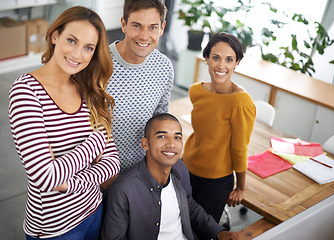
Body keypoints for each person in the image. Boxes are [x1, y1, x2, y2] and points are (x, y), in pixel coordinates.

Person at [8, 6, 120, 240]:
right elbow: (46, 178)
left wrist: (68, 184)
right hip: (55, 228)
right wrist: (95, 143)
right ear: (55, 36)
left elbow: (112, 163)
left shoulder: (87, 88)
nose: (78, 55)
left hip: (94, 209)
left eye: (88, 47)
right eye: (72, 40)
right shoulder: (26, 93)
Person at [101, 113, 238, 240]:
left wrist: (219, 232)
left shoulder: (181, 168)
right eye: (162, 136)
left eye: (177, 137)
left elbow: (190, 206)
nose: (171, 144)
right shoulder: (124, 189)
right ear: (145, 144)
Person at [182, 32, 256, 230]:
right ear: (206, 58)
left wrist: (241, 187)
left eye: (229, 59)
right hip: (186, 168)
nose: (221, 65)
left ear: (237, 62)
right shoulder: (196, 91)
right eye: (215, 57)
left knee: (202, 231)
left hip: (214, 182)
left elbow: (239, 148)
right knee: (178, 224)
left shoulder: (241, 102)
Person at [105, 0, 174, 175]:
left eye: (152, 27)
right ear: (123, 24)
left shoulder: (164, 67)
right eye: (136, 26)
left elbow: (159, 119)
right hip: (98, 175)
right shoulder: (99, 64)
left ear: (162, 28)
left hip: (141, 172)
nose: (144, 36)